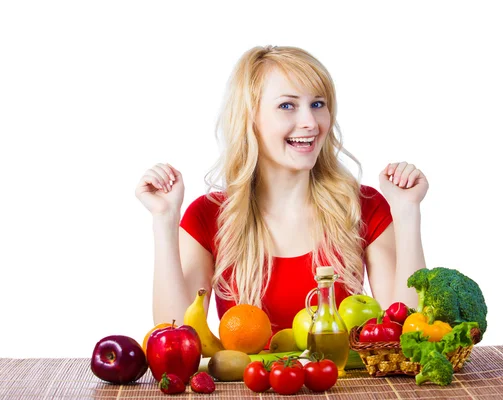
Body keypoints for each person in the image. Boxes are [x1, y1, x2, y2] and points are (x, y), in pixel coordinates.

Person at [135, 45, 429, 333]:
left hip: (346, 383)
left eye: (318, 104)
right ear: (250, 119)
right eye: (287, 106)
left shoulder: (363, 206)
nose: (310, 122)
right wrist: (164, 219)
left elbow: (406, 327)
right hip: (247, 383)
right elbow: (174, 334)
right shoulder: (208, 216)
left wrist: (407, 212)